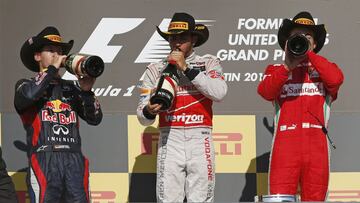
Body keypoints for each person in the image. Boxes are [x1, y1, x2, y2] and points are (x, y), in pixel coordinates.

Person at [137, 12, 227, 202]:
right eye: (173, 38)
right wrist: (149, 110)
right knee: (167, 199)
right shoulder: (155, 68)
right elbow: (142, 117)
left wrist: (186, 67)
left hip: (200, 136)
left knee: (201, 199)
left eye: (182, 38)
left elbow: (219, 92)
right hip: (170, 137)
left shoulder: (208, 62)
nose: (176, 43)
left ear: (193, 39)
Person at [258, 11, 344, 201]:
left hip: (317, 148)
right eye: (296, 37)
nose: (302, 40)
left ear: (314, 44)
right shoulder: (276, 70)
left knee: (315, 199)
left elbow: (336, 80)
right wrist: (288, 66)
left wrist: (310, 55)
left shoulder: (323, 70)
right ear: (287, 43)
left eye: (307, 37)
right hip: (285, 146)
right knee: (280, 199)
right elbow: (265, 92)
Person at [15, 26, 102, 203]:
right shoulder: (25, 85)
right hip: (44, 159)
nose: (57, 55)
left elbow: (95, 119)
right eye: (51, 50)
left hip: (74, 160)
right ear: (37, 56)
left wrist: (86, 91)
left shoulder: (71, 88)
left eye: (60, 51)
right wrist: (52, 70)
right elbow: (30, 95)